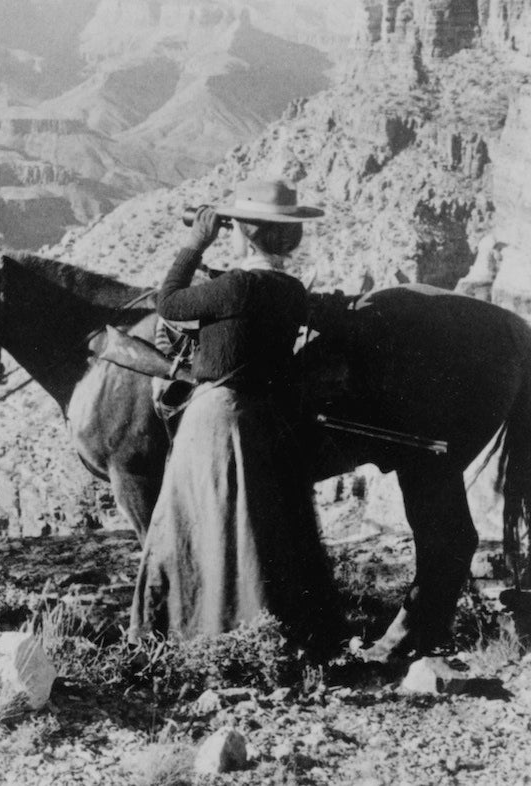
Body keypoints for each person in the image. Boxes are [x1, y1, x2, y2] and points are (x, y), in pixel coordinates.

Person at [130, 178, 341, 646]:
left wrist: (194, 244)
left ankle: (192, 632)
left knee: (195, 522)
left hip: (216, 420)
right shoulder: (289, 290)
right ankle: (265, 632)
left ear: (244, 232)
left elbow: (167, 302)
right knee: (256, 533)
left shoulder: (237, 287)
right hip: (264, 423)